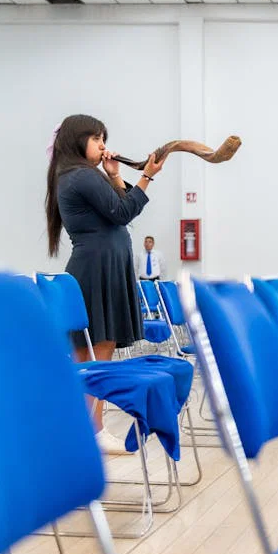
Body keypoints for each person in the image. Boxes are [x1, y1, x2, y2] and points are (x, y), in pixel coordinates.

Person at [45, 114, 164, 450]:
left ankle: (87, 430)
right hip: (96, 269)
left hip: (101, 266)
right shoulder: (80, 175)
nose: (103, 146)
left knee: (94, 352)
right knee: (95, 353)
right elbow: (123, 213)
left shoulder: (81, 175)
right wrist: (146, 179)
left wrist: (115, 176)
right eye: (96, 139)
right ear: (77, 141)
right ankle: (92, 431)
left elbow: (117, 208)